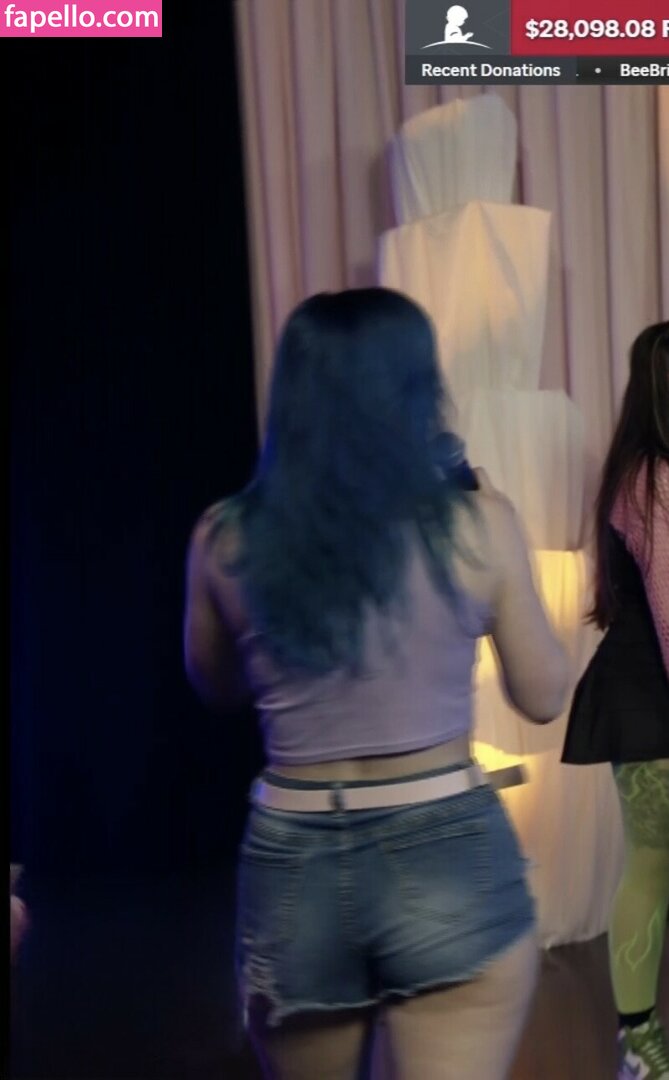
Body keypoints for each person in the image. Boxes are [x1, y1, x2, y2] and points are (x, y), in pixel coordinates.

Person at [184, 287, 568, 1080]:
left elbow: (215, 686)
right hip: (444, 842)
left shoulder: (225, 535)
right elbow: (542, 695)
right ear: (417, 389)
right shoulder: (477, 524)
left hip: (296, 855)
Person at [562, 321, 669, 1079]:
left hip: (640, 694)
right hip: (649, 697)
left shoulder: (634, 472)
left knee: (650, 867)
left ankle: (638, 1043)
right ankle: (638, 1043)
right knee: (651, 868)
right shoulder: (654, 479)